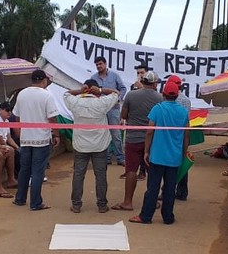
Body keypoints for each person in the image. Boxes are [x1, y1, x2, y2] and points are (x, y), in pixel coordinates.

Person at [129, 80, 189, 225]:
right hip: (174, 156)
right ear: (177, 95)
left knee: (153, 188)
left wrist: (146, 151)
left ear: (163, 94)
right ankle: (168, 217)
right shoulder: (183, 112)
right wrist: (184, 152)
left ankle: (146, 216)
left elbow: (149, 132)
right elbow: (187, 135)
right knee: (170, 189)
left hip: (157, 155)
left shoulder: (158, 109)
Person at [63, 79, 120, 213]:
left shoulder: (76, 102)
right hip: (100, 145)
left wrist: (79, 91)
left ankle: (76, 205)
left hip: (80, 145)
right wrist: (100, 91)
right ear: (95, 89)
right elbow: (116, 93)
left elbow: (66, 94)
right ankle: (102, 205)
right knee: (100, 175)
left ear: (84, 88)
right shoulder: (102, 102)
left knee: (78, 175)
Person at [112, 71, 162, 211]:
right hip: (152, 139)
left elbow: (124, 115)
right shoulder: (159, 98)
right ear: (154, 83)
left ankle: (128, 202)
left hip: (133, 138)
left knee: (131, 170)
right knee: (152, 171)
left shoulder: (131, 95)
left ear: (143, 81)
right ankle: (153, 201)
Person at [13, 70, 60, 211]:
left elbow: (17, 116)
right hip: (41, 139)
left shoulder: (22, 94)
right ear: (44, 80)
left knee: (24, 170)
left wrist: (21, 132)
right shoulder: (47, 95)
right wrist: (56, 134)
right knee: (38, 171)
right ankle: (36, 203)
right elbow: (52, 118)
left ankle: (20, 199)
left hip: (26, 139)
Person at [90, 56, 127, 166]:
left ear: (105, 64)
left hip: (113, 110)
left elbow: (123, 89)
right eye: (97, 64)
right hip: (100, 111)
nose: (98, 66)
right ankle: (106, 158)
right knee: (103, 134)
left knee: (115, 134)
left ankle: (120, 158)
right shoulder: (93, 78)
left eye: (100, 64)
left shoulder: (115, 76)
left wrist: (118, 100)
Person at [165, 75, 192, 200]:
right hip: (181, 136)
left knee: (166, 165)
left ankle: (166, 191)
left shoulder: (165, 101)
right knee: (181, 163)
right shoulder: (186, 100)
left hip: (167, 136)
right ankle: (182, 192)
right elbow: (187, 121)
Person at [0, 101, 20, 176]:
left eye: (10, 110)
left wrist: (17, 147)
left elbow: (9, 137)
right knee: (14, 153)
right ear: (0, 110)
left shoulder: (6, 121)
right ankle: (17, 176)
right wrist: (11, 147)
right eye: (7, 110)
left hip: (3, 143)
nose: (9, 112)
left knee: (19, 151)